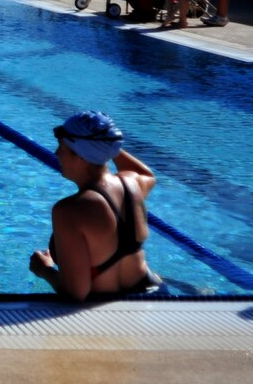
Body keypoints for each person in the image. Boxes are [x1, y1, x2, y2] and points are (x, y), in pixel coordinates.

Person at [29, 111, 162, 301]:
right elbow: (146, 174)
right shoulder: (131, 185)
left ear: (82, 156)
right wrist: (106, 144)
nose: (56, 153)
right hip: (155, 294)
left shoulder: (70, 211)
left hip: (109, 313)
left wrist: (45, 270)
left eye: (61, 147)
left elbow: (75, 293)